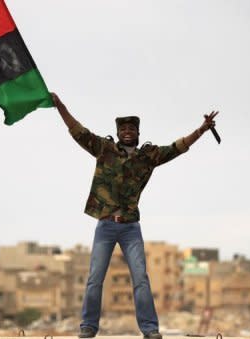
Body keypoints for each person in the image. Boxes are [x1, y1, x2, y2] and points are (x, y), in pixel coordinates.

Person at [51, 92, 218, 339]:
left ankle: (150, 330)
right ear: (118, 133)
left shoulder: (147, 157)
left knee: (140, 278)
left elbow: (177, 148)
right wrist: (60, 106)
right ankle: (88, 327)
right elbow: (78, 131)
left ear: (138, 133)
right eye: (123, 128)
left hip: (130, 227)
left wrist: (202, 130)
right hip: (106, 225)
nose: (128, 131)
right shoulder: (104, 149)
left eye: (132, 128)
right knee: (95, 277)